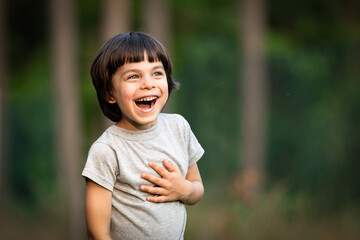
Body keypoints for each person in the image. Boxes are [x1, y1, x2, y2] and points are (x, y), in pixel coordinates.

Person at [82, 32, 205, 240]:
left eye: (157, 73)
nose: (148, 84)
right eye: (133, 76)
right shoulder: (107, 150)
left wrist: (183, 190)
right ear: (109, 94)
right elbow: (97, 232)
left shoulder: (179, 127)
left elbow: (197, 188)